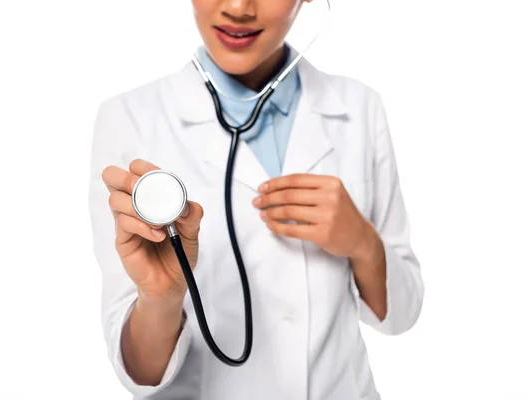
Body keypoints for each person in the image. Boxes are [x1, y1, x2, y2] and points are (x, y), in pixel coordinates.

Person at [88, 0, 424, 399]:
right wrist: (161, 298)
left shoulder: (360, 107)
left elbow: (402, 316)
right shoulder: (129, 118)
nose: (237, 7)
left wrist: (363, 244)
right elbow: (140, 375)